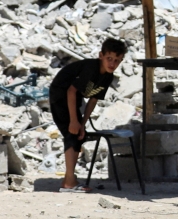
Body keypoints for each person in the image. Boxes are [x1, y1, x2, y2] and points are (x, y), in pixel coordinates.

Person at [49, 38, 127, 193]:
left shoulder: (107, 77)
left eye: (116, 61)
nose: (112, 64)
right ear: (101, 56)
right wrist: (73, 121)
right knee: (72, 134)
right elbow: (71, 91)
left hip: (74, 98)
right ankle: (69, 183)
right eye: (109, 59)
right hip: (60, 94)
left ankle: (69, 179)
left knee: (79, 134)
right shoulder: (91, 68)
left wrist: (82, 124)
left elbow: (93, 100)